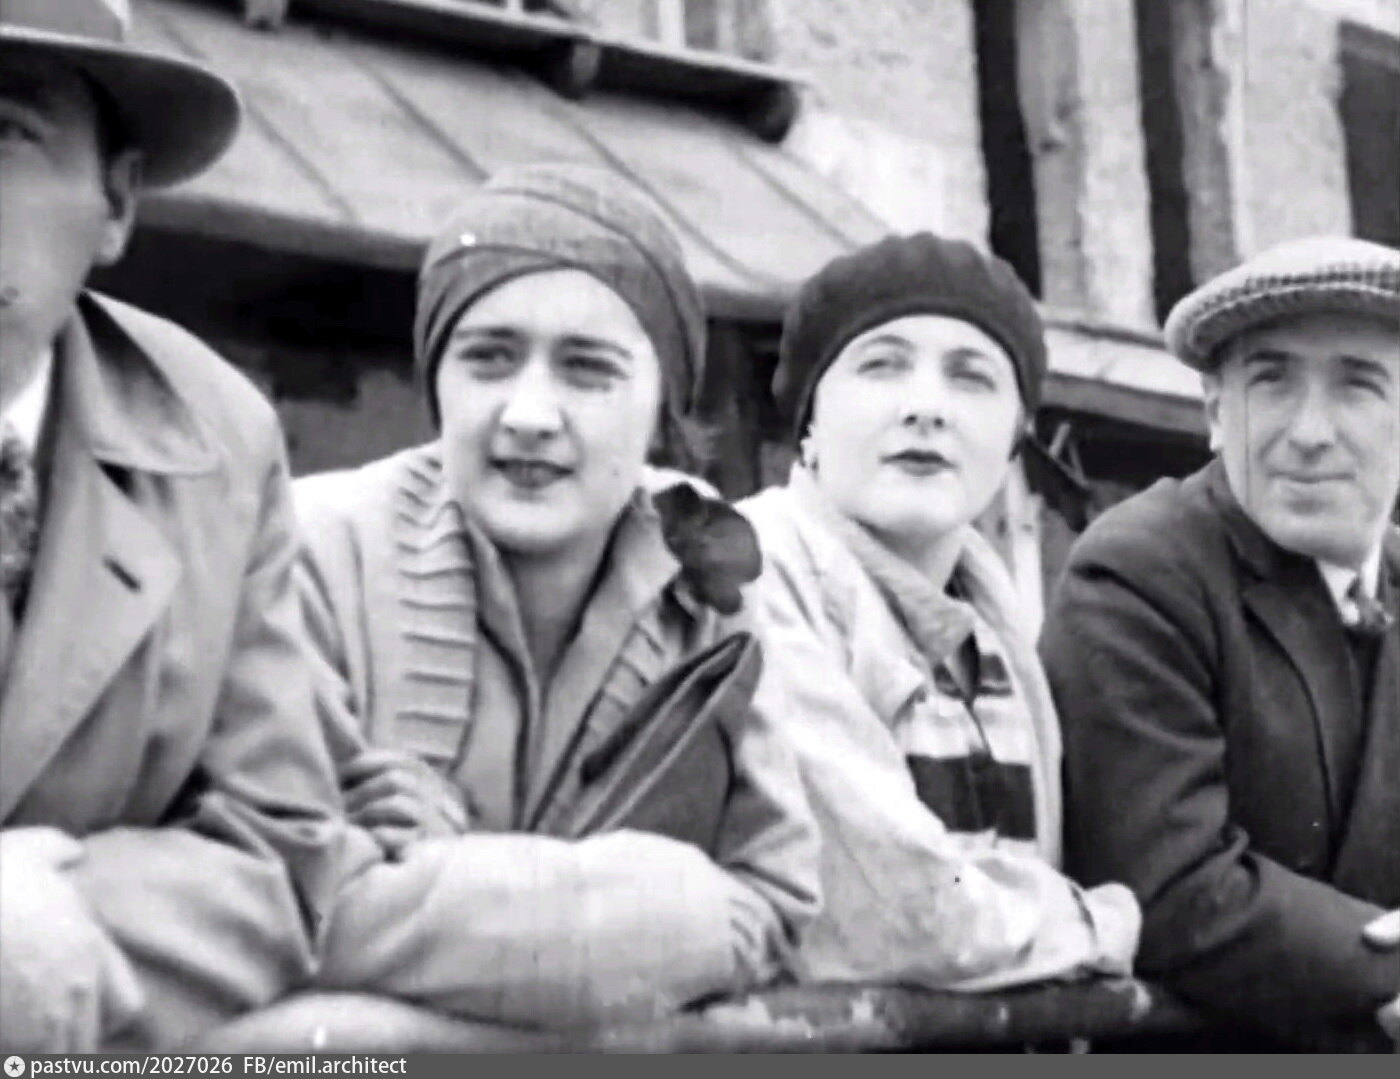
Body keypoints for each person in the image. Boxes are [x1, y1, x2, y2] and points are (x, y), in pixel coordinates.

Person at [295, 163, 818, 1028]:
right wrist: (655, 913)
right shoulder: (313, 550)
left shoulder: (708, 572)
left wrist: (447, 876)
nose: (530, 413)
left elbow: (775, 902)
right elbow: (283, 912)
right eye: (488, 358)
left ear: (662, 405)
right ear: (435, 382)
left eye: (587, 368)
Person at [0, 0, 348, 1052]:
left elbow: (276, 851)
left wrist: (40, 933)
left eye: (6, 133)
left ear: (115, 200)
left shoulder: (217, 441)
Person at [738, 233, 1140, 990]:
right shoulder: (759, 572)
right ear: (809, 421)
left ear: (1016, 435)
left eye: (972, 377)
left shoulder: (995, 627)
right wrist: (1100, 925)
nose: (926, 408)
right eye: (880, 365)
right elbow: (899, 910)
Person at [1041, 236, 1400, 1050]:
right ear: (1213, 413)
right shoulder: (1139, 570)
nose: (1309, 431)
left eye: (1358, 383)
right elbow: (1167, 885)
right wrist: (1385, 966)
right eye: (1270, 381)